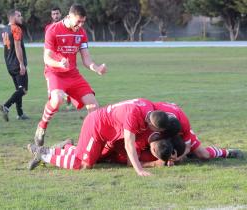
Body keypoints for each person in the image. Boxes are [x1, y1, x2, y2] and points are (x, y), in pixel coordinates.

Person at [28, 98, 170, 176]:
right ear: (153, 125)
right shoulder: (133, 116)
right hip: (95, 127)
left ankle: (65, 147)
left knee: (89, 158)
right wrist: (139, 170)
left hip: (104, 128)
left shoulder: (148, 107)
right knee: (84, 164)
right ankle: (44, 155)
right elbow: (129, 145)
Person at [34, 4, 107, 146]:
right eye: (78, 21)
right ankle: (42, 126)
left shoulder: (81, 33)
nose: (80, 25)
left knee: (94, 106)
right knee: (57, 100)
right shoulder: (52, 30)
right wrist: (59, 64)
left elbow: (86, 59)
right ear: (69, 16)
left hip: (73, 74)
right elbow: (46, 58)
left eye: (83, 22)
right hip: (55, 73)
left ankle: (90, 142)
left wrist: (96, 68)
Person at [152, 102, 243, 160]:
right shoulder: (155, 121)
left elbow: (187, 147)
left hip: (178, 120)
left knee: (204, 155)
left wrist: (178, 158)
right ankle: (190, 154)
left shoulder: (184, 124)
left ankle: (226, 152)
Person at [0, 9, 29, 121]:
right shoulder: (16, 28)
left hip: (9, 64)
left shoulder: (5, 29)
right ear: (12, 17)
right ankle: (6, 106)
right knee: (23, 90)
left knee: (18, 89)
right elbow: (17, 47)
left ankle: (20, 114)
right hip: (17, 63)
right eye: (19, 15)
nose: (21, 17)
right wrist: (22, 64)